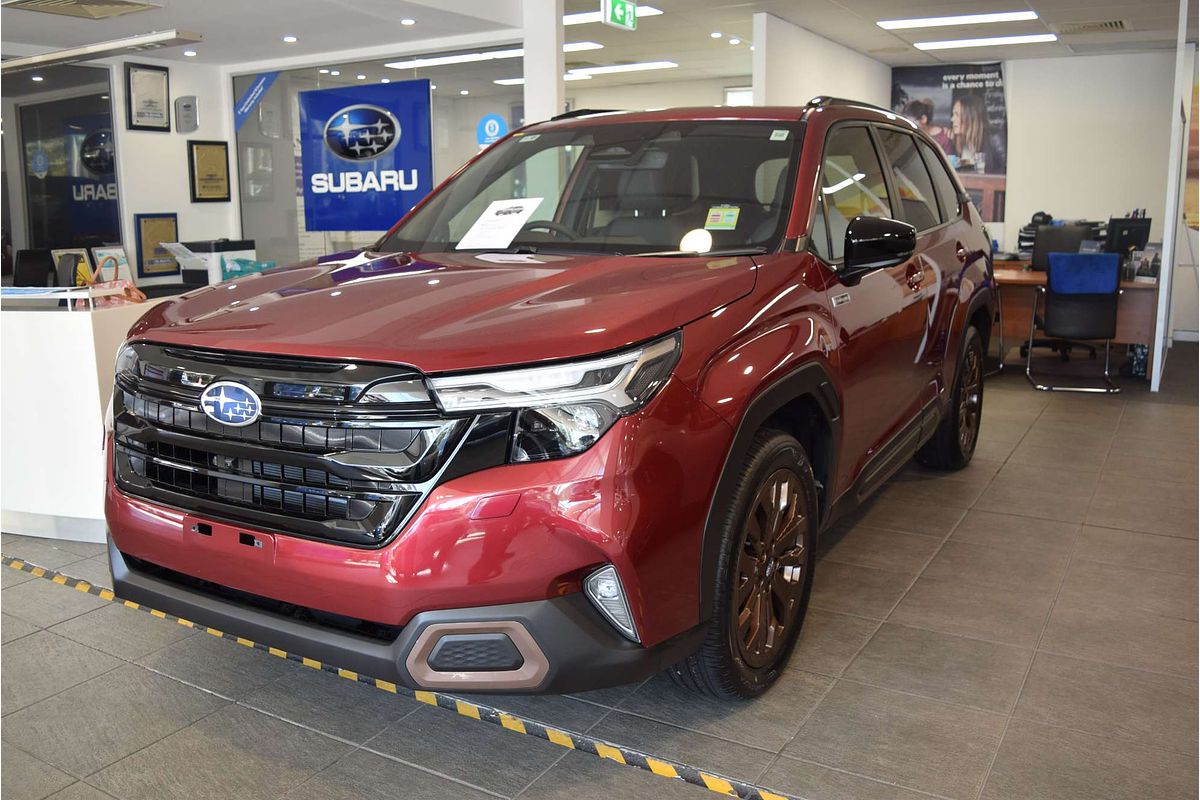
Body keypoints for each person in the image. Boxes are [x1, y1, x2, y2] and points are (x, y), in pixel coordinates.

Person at [951, 94, 987, 170]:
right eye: (953, 114)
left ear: (970, 117)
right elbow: (970, 162)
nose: (952, 119)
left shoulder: (992, 141)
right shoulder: (961, 141)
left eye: (957, 114)